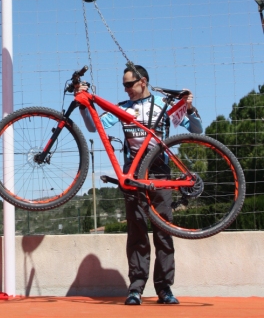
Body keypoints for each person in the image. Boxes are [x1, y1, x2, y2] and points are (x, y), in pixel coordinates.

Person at [76, 64, 203, 305]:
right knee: (137, 233)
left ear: (142, 82)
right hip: (132, 173)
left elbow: (196, 130)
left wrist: (189, 108)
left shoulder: (161, 105)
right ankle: (136, 288)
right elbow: (95, 127)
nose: (125, 90)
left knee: (164, 232)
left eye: (128, 84)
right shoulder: (122, 108)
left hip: (160, 172)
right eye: (123, 85)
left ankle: (164, 289)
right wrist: (84, 109)